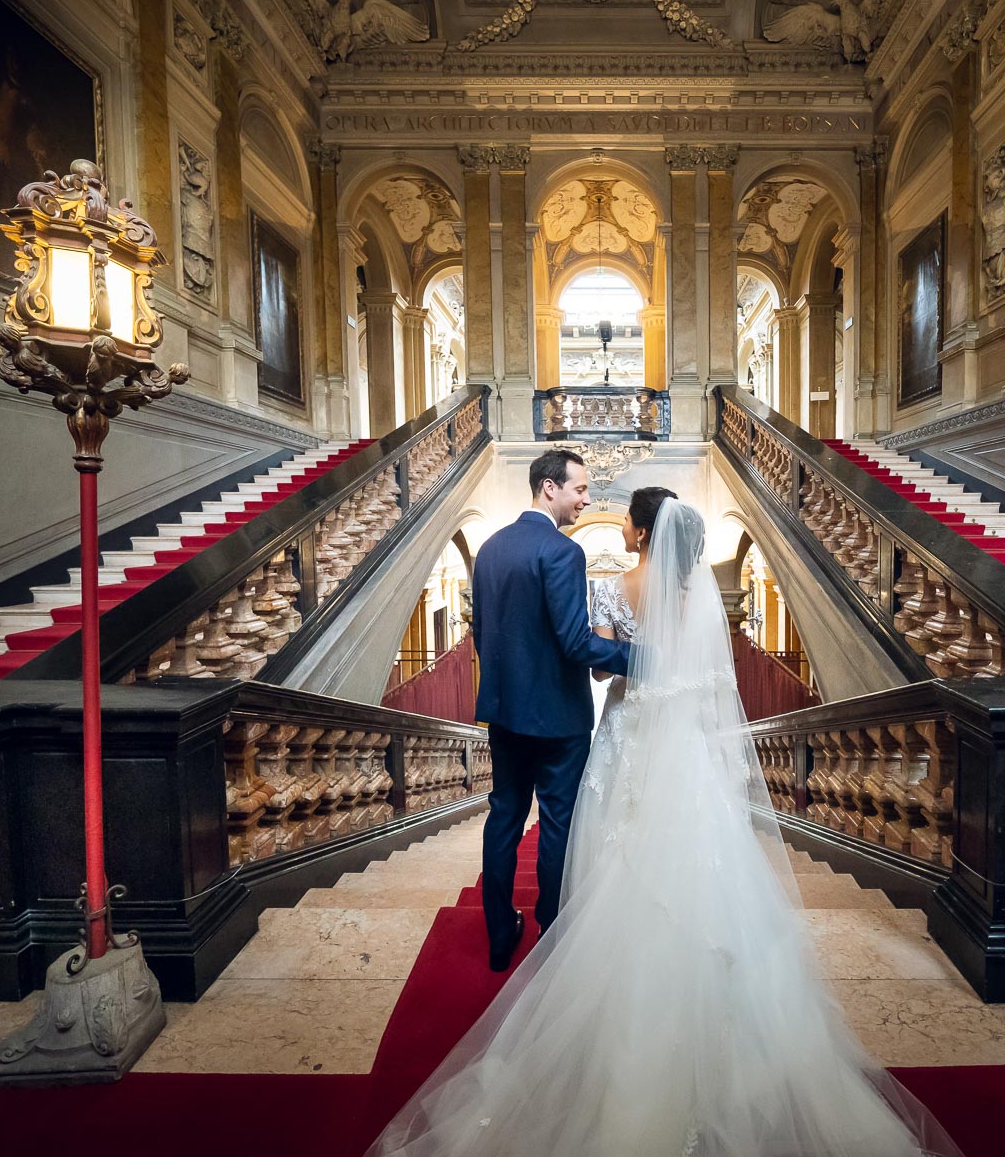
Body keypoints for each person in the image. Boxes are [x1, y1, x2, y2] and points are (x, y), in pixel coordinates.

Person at [370, 488, 957, 1156]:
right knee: (697, 864)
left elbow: (594, 659)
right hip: (685, 749)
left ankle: (570, 952)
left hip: (628, 730)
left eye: (626, 517)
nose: (615, 518)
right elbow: (712, 685)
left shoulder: (619, 587)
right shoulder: (699, 600)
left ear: (645, 532)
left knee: (607, 846)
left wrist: (636, 665)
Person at [468, 449, 633, 973]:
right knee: (558, 823)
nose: (587, 499)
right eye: (580, 489)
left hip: (504, 711)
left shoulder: (490, 548)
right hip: (558, 719)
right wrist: (641, 657)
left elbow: (481, 634)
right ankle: (550, 934)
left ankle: (498, 935)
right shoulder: (562, 553)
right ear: (549, 488)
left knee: (504, 818)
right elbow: (575, 642)